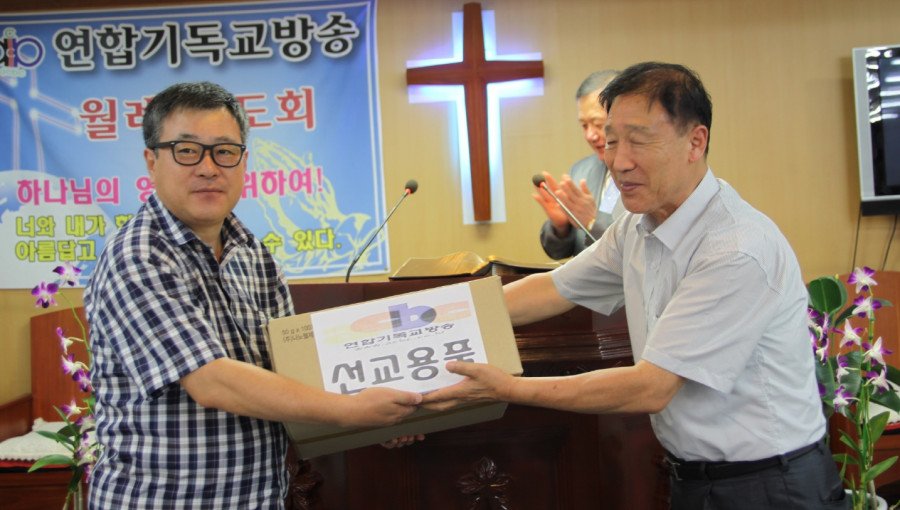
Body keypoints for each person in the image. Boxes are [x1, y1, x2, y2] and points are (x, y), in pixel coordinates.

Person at [424, 62, 848, 509]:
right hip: (694, 478)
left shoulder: (735, 247)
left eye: (639, 141)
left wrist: (508, 389)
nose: (618, 161)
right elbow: (553, 289)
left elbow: (650, 386)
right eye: (611, 141)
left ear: (695, 141)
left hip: (770, 486)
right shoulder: (637, 227)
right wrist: (430, 317)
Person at [84, 81, 422, 509]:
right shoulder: (137, 255)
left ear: (243, 161)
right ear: (152, 161)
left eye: (224, 151)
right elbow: (211, 381)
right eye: (187, 151)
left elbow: (293, 372)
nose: (209, 168)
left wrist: (375, 416)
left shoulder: (253, 255)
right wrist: (353, 410)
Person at [536, 69, 625, 259]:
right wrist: (561, 228)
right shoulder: (580, 171)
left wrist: (593, 222)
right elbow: (558, 252)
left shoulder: (649, 174)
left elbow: (641, 250)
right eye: (584, 125)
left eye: (597, 124)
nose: (590, 135)